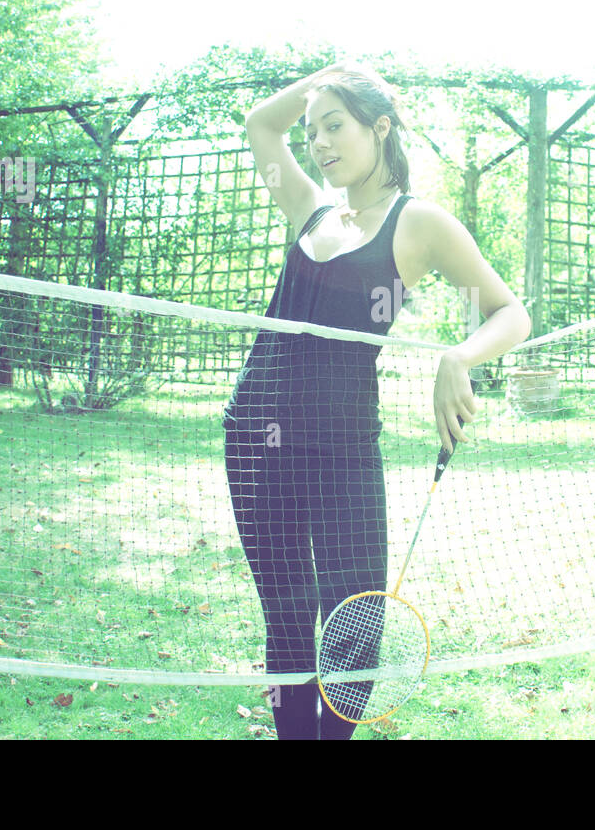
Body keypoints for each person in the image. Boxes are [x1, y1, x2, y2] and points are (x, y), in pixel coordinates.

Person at [223, 61, 530, 739]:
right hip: (255, 437)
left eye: (335, 125)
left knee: (355, 624)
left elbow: (510, 312)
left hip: (342, 448)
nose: (319, 143)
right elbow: (260, 125)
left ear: (380, 127)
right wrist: (323, 78)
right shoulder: (309, 207)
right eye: (312, 131)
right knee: (287, 621)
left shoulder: (417, 223)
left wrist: (460, 356)